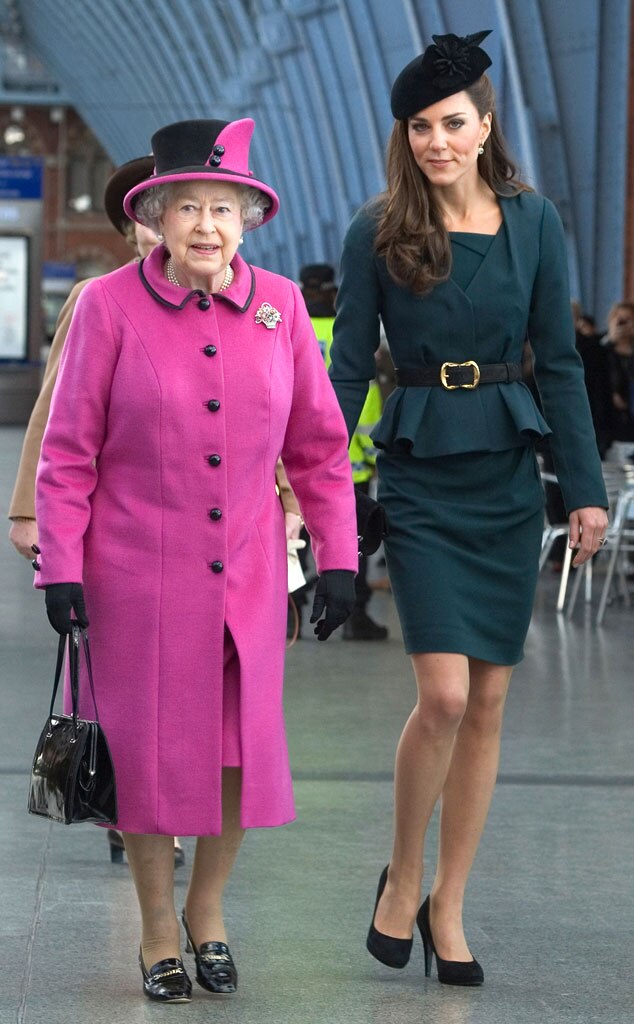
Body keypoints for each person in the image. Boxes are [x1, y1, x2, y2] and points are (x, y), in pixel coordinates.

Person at [34, 116, 358, 1004]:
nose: (207, 226)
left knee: (235, 754)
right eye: (189, 209)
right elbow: (69, 454)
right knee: (144, 760)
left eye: (224, 207)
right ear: (159, 218)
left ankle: (207, 913)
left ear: (249, 219)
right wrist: (59, 564)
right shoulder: (107, 308)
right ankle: (152, 930)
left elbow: (321, 450)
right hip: (134, 578)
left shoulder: (282, 307)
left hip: (249, 576)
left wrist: (339, 556)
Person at [328, 30, 608, 986]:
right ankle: (401, 876)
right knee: (443, 693)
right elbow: (343, 368)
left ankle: (450, 898)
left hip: (504, 468)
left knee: (488, 699)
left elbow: (561, 364)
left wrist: (584, 489)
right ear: (404, 136)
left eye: (453, 123)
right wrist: (316, 482)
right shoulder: (375, 228)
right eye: (420, 127)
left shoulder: (537, 224)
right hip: (417, 464)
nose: (437, 141)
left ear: (486, 126)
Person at [7, 156, 188, 870]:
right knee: (122, 679)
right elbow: (55, 415)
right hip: (113, 524)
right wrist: (31, 515)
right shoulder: (97, 299)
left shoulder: (226, 301)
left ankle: (161, 805)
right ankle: (132, 806)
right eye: (146, 221)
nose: (158, 234)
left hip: (195, 525)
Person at [299, 263, 389, 640]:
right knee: (352, 542)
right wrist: (370, 453)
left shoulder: (290, 330)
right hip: (350, 468)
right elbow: (365, 395)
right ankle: (356, 616)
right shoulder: (344, 332)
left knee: (296, 543)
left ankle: (291, 613)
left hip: (297, 466)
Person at [603, 301, 634, 462]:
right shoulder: (602, 349)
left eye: (628, 320)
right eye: (619, 320)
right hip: (610, 427)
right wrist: (610, 340)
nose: (623, 325)